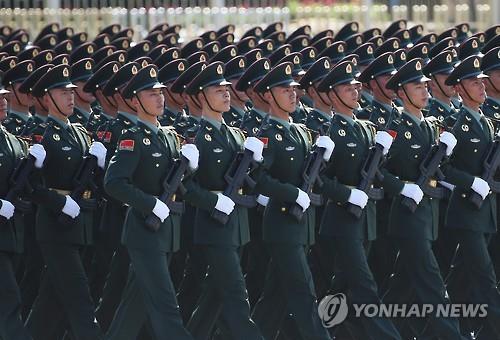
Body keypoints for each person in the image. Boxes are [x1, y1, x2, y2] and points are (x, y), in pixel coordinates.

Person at [104, 64, 197, 340]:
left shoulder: (169, 136)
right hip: (144, 231)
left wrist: (190, 167)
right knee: (166, 304)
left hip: (166, 232)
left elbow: (176, 183)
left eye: (160, 93)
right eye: (151, 94)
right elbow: (113, 182)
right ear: (134, 100)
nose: (159, 98)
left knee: (134, 307)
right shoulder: (133, 138)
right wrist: (149, 203)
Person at [380, 58, 466, 339]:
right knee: (431, 282)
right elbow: (377, 172)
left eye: (426, 86)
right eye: (418, 87)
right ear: (402, 92)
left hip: (427, 215)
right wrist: (402, 188)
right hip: (407, 218)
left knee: (402, 287)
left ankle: (376, 331)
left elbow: (437, 171)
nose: (426, 91)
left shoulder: (431, 125)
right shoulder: (395, 128)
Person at [316, 60, 402, 339]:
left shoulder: (366, 128)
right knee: (365, 285)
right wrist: (346, 193)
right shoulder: (329, 132)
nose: (354, 92)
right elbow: (317, 180)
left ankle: (322, 329)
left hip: (365, 217)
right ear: (331, 95)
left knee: (342, 286)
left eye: (355, 86)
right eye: (346, 87)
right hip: (342, 218)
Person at [251, 62, 333, 340]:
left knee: (273, 298)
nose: (293, 94)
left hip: (301, 226)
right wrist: (291, 193)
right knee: (304, 292)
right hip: (282, 224)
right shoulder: (267, 133)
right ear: (269, 95)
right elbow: (258, 179)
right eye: (285, 90)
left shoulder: (300, 130)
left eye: (294, 90)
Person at [182, 61, 264, 340]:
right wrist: (212, 202)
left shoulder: (236, 134)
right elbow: (184, 187)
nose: (226, 94)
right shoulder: (197, 137)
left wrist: (257, 164)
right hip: (213, 226)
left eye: (226, 89)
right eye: (218, 90)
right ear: (202, 96)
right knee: (237, 296)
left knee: (213, 300)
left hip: (237, 226)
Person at [25, 64, 106, 340]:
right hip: (54, 227)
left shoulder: (81, 133)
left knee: (51, 302)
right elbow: (30, 187)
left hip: (80, 225)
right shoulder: (42, 136)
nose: (70, 97)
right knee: (80, 297)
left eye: (71, 91)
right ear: (47, 98)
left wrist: (102, 165)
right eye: (62, 92)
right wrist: (59, 204)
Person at [442, 55, 500, 340]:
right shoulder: (457, 123)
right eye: (473, 83)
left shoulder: (488, 122)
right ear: (459, 89)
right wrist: (471, 182)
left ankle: (444, 328)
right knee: (485, 277)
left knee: (462, 278)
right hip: (466, 211)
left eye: (481, 81)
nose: (481, 86)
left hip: (486, 212)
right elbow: (442, 167)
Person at [0, 83, 45, 340]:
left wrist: (34, 167)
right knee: (9, 300)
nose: (3, 101)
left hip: (11, 234)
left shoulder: (13, 140)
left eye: (5, 96)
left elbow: (24, 187)